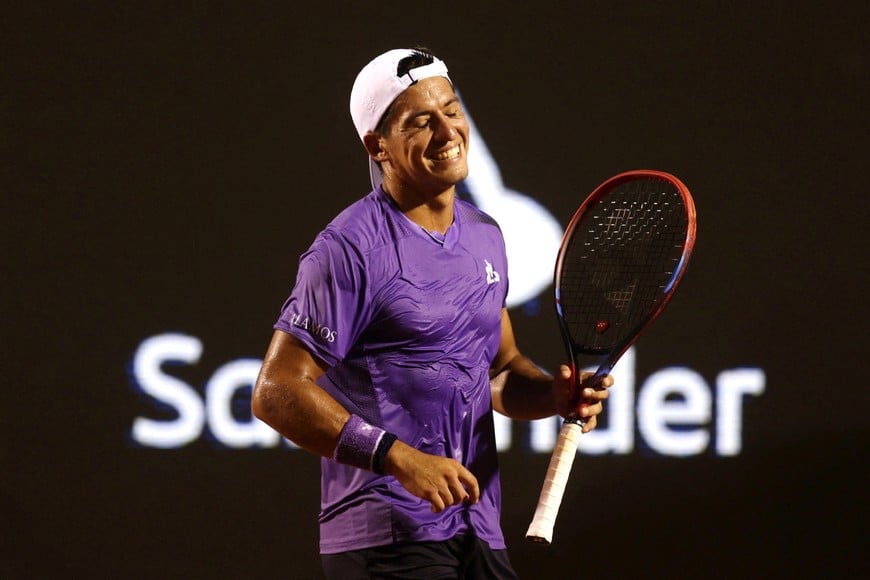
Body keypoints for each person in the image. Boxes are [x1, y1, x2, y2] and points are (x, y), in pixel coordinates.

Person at [252, 47, 613, 579]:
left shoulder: (486, 236)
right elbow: (276, 392)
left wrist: (552, 395)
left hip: (476, 532)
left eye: (451, 109)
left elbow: (498, 370)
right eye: (421, 122)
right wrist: (399, 457)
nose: (448, 133)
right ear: (379, 147)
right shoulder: (348, 248)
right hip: (387, 537)